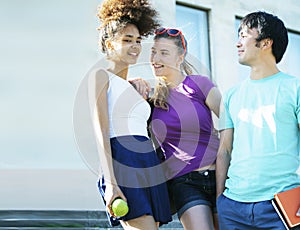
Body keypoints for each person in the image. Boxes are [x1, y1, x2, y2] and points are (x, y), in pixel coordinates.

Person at [90, 0, 172, 229]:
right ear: (109, 43)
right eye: (127, 40)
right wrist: (110, 183)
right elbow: (101, 130)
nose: (135, 46)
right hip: (122, 159)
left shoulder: (136, 87)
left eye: (138, 40)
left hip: (147, 159)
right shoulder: (100, 76)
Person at [216, 11, 300, 230]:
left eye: (244, 35)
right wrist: (220, 201)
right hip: (232, 208)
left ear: (266, 43)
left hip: (282, 207)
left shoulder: (295, 88)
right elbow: (224, 150)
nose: (237, 43)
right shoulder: (231, 95)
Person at [149, 27, 222, 230]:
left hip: (221, 176)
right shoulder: (151, 97)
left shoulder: (200, 85)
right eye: (153, 51)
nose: (155, 58)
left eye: (164, 52)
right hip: (184, 182)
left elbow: (230, 124)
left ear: (180, 57)